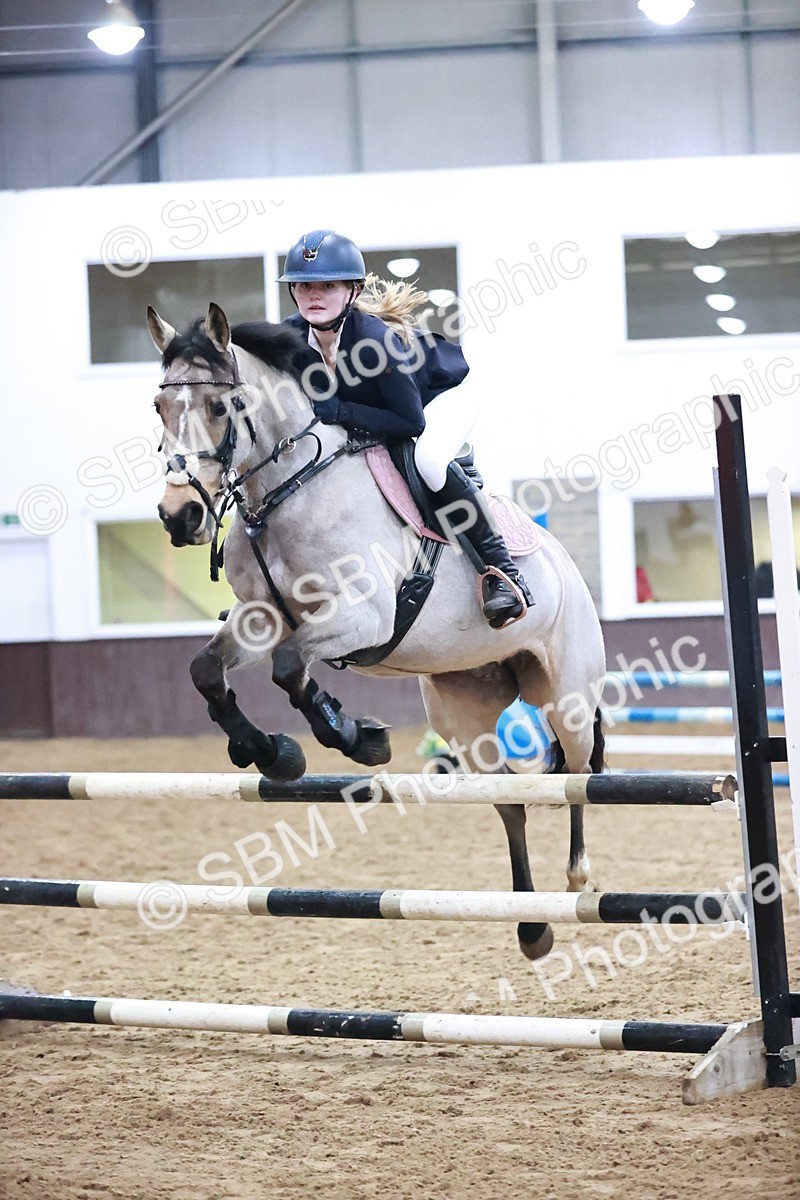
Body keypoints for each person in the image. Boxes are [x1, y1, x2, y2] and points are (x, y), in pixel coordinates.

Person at [280, 228, 533, 628]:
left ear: (352, 290)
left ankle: (504, 575)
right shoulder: (290, 338)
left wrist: (342, 410)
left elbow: (409, 422)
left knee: (429, 461)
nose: (314, 295)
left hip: (440, 399)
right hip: (381, 410)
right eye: (304, 285)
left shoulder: (378, 341)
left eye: (328, 285)